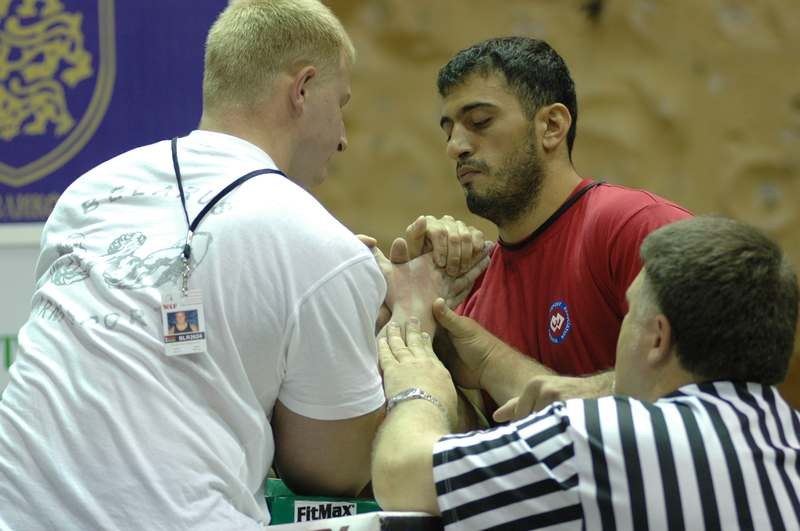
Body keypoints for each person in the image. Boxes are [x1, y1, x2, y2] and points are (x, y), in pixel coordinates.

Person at [0, 1, 485, 529]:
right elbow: (332, 473)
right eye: (340, 104)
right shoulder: (320, 246)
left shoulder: (84, 194)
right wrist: (405, 317)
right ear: (301, 89)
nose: (343, 137)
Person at [372, 216, 800, 530]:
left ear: (657, 338)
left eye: (631, 312)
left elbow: (399, 475)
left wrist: (419, 381)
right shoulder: (788, 433)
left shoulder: (597, 437)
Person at [397, 37, 693, 417]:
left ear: (551, 126)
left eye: (479, 122)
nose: (455, 146)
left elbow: (714, 390)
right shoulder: (474, 291)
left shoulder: (637, 226)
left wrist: (496, 362)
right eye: (448, 129)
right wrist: (417, 299)